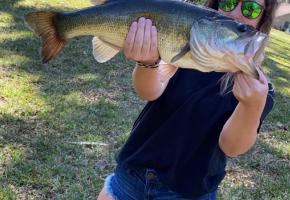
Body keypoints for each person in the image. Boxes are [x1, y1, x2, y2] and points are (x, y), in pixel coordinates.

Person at [98, 0, 278, 199]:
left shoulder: (260, 89)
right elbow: (149, 92)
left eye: (250, 9)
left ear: (262, 19)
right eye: (228, 2)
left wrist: (252, 106)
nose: (235, 13)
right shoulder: (188, 49)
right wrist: (148, 63)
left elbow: (231, 146)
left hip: (187, 192)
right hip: (133, 171)